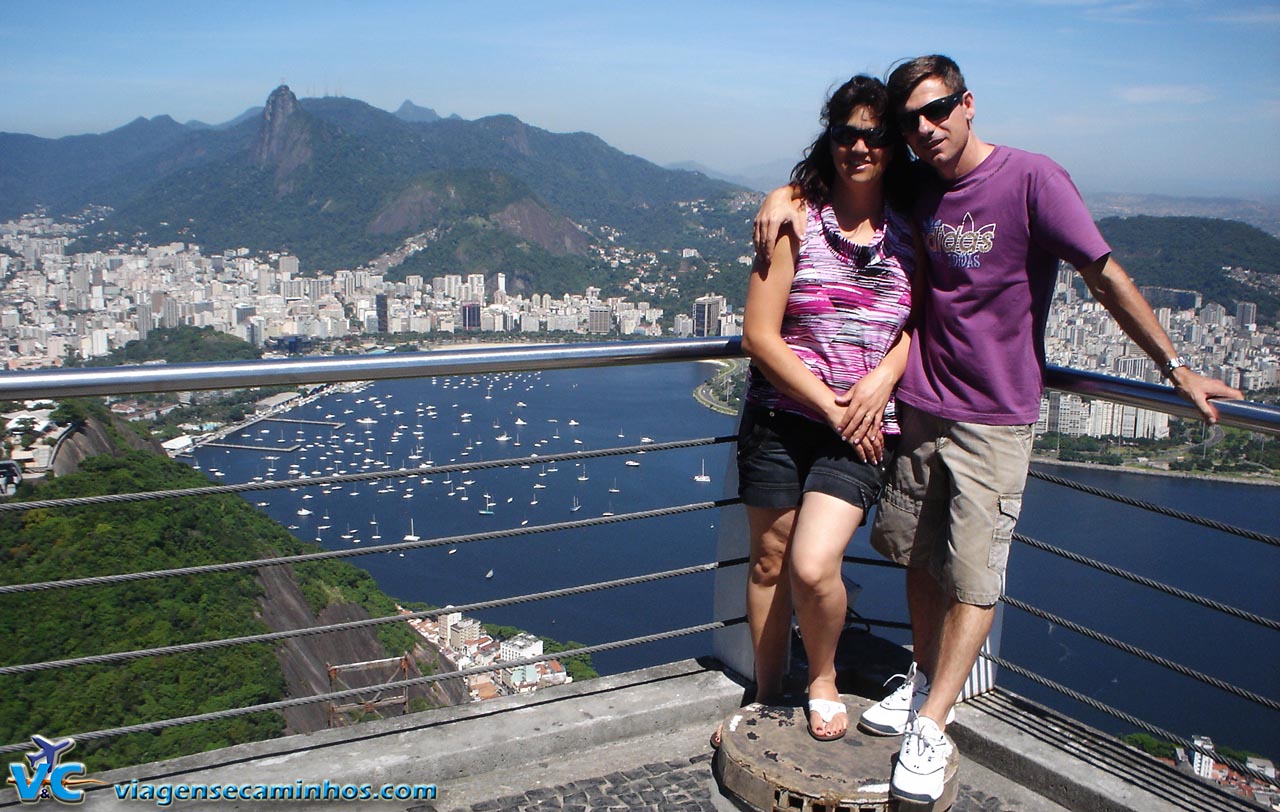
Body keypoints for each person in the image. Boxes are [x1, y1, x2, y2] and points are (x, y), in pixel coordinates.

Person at [754, 55, 1241, 802]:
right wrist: (781, 192)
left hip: (993, 418)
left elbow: (1104, 275)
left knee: (975, 578)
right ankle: (921, 687)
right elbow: (841, 175)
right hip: (920, 412)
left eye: (939, 109)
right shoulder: (917, 181)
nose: (925, 128)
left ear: (969, 104)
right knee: (918, 558)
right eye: (911, 120)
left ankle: (933, 725)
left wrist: (1175, 367)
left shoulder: (1032, 179)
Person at [730, 74, 915, 745]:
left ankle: (823, 678)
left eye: (875, 134)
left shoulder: (913, 227)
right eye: (847, 133)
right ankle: (767, 691)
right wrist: (832, 405)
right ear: (829, 138)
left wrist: (883, 378)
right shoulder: (794, 219)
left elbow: (922, 325)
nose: (860, 146)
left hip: (861, 431)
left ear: (894, 145)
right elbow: (759, 335)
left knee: (813, 564)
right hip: (783, 417)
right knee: (770, 560)